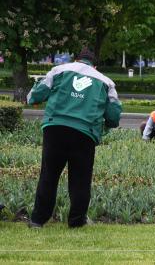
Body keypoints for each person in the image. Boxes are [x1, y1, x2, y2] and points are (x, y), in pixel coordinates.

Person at [26, 48, 122, 228]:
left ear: (76, 59)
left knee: (49, 175)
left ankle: (37, 220)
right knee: (81, 180)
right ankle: (77, 221)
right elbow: (114, 116)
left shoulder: (59, 70)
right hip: (85, 134)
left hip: (55, 129)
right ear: (95, 65)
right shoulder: (106, 82)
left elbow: (34, 97)